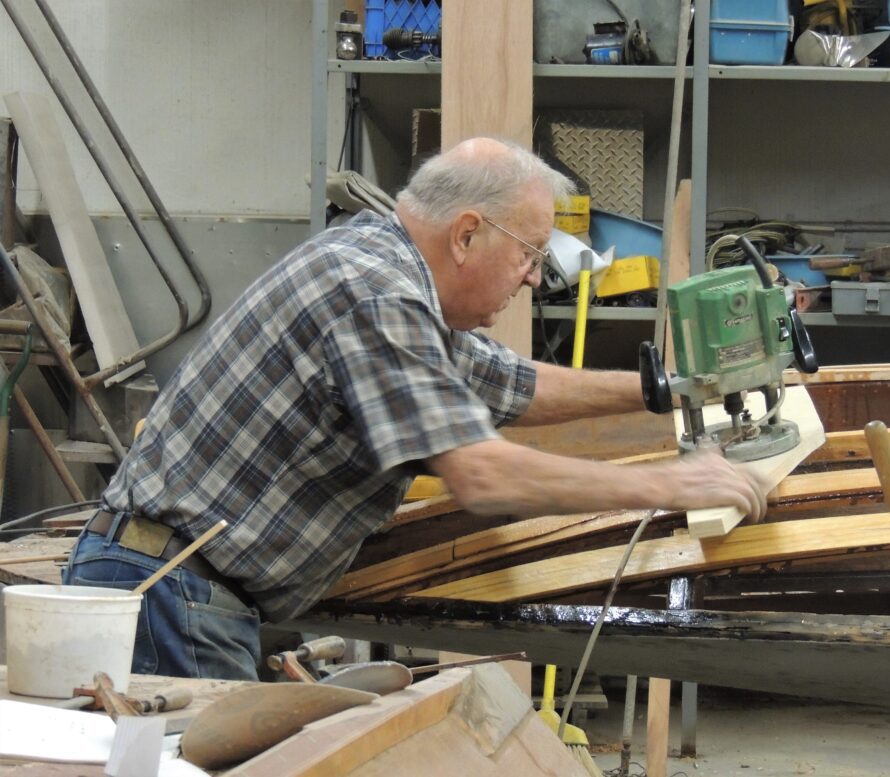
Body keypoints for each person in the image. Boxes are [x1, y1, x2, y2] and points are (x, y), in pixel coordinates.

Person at [63, 138, 766, 680]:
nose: (531, 276)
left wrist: (672, 389)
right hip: (164, 596)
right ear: (466, 234)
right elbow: (482, 476)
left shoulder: (388, 273)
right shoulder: (377, 294)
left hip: (176, 590)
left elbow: (511, 383)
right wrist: (668, 484)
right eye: (528, 253)